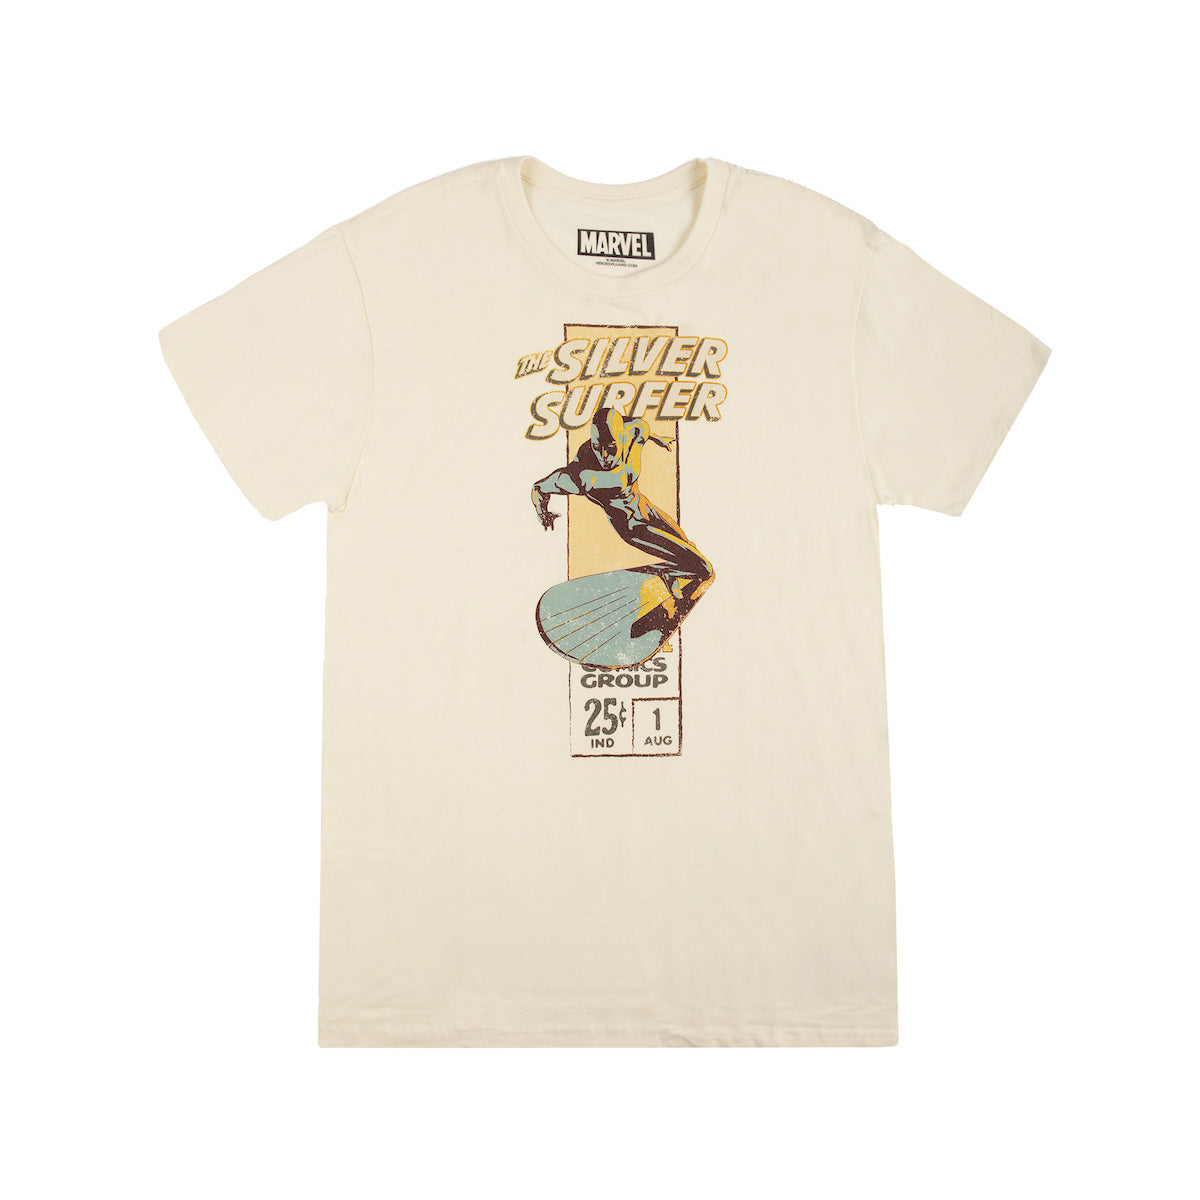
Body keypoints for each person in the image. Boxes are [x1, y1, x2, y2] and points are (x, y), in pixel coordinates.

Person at [531, 408, 715, 608]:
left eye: (611, 447)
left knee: (689, 546)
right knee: (703, 569)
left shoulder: (636, 430)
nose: (604, 456)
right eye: (597, 446)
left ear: (621, 436)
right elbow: (538, 488)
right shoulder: (581, 476)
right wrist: (542, 513)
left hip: (646, 508)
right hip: (632, 527)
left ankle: (671, 575)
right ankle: (666, 575)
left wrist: (658, 439)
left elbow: (640, 427)